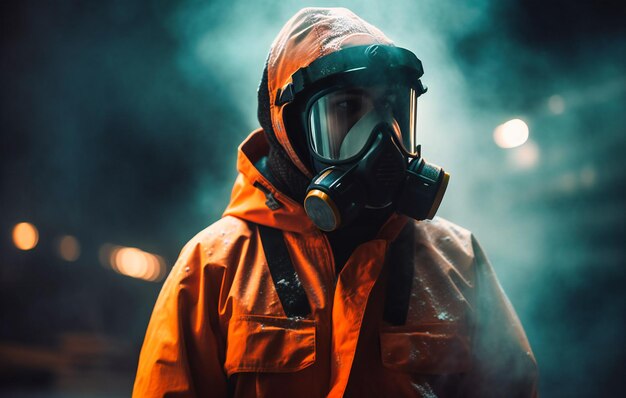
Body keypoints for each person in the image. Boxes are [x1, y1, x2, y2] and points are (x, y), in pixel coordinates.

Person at [133, 7, 538, 398]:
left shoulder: (459, 259)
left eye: (393, 108)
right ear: (289, 129)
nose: (383, 136)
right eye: (347, 108)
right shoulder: (212, 266)